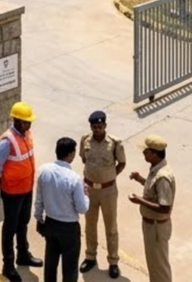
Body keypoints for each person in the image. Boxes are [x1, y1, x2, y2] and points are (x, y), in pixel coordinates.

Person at [0, 102, 42, 279]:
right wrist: (8, 179)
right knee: (10, 227)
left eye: (30, 122)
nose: (29, 125)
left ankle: (23, 254)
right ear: (16, 120)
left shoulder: (27, 135)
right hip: (12, 192)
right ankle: (8, 265)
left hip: (26, 188)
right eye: (26, 122)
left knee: (23, 222)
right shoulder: (7, 141)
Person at [77, 111, 126, 278]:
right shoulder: (85, 140)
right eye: (94, 127)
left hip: (108, 191)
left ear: (105, 125)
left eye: (100, 126)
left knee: (110, 226)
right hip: (90, 189)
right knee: (90, 224)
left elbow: (122, 163)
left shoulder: (115, 143)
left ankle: (113, 261)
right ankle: (90, 256)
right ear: (90, 127)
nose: (97, 129)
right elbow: (83, 159)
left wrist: (110, 176)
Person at [33, 137, 89, 282]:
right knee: (70, 268)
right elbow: (82, 208)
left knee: (50, 263)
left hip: (50, 224)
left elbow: (39, 200)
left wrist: (39, 220)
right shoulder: (74, 179)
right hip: (69, 229)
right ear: (71, 155)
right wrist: (86, 195)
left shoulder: (44, 171)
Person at [128, 134, 175, 282]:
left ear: (154, 154)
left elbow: (164, 207)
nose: (143, 153)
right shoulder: (156, 168)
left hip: (156, 228)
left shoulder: (162, 177)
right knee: (154, 264)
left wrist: (140, 201)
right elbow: (153, 191)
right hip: (151, 225)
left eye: (146, 151)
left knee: (159, 266)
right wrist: (140, 179)